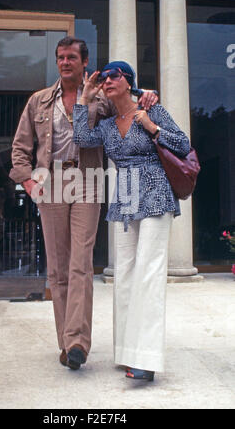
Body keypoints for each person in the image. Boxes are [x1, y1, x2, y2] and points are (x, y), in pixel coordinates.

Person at [9, 37, 158, 370]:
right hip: (51, 184)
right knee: (58, 269)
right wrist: (29, 182)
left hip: (88, 182)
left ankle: (77, 341)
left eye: (72, 57)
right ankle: (66, 342)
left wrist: (147, 96)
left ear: (84, 62)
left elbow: (130, 102)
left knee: (81, 263)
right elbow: (20, 148)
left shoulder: (101, 97)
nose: (65, 62)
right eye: (61, 57)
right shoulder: (39, 101)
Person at [73, 61, 191, 381]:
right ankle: (127, 351)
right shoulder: (110, 125)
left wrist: (152, 127)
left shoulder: (152, 108)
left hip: (154, 191)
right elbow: (82, 138)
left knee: (149, 275)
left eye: (114, 76)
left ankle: (146, 360)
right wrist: (84, 95)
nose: (107, 81)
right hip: (125, 196)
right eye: (103, 77)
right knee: (124, 274)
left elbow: (183, 144)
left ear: (128, 81)